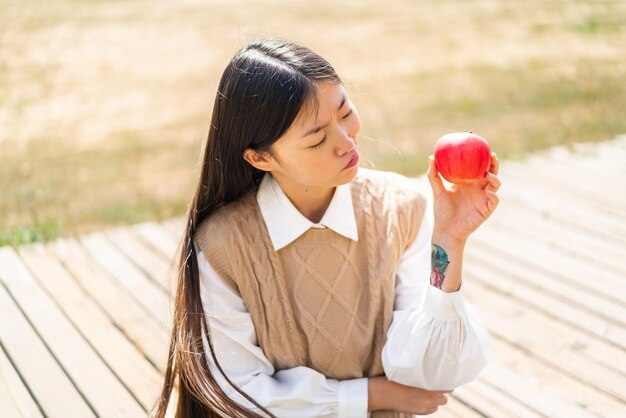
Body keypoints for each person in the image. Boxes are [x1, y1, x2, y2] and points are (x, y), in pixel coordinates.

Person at [153, 38, 500, 418]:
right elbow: (239, 390)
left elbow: (429, 372)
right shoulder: (223, 246)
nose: (346, 140)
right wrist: (369, 396)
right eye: (317, 138)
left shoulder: (403, 207)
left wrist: (449, 240)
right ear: (261, 157)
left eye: (346, 110)